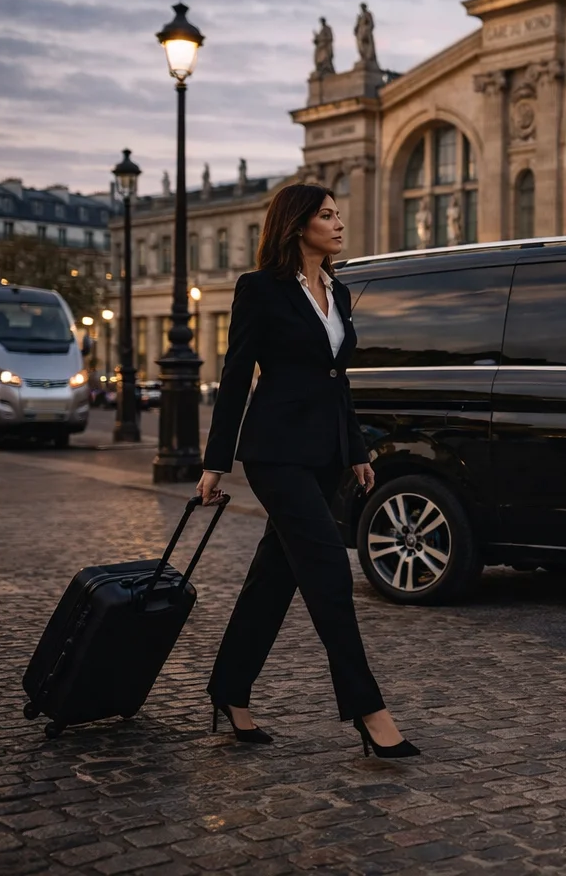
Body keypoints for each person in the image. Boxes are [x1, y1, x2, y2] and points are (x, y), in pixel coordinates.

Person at [195, 183, 419, 759]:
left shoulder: (339, 293)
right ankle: (369, 713)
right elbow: (237, 373)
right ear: (297, 225)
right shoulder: (260, 290)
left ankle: (229, 691)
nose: (339, 224)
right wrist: (215, 462)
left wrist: (357, 451)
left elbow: (336, 381)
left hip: (322, 455)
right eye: (326, 215)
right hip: (274, 453)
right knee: (327, 572)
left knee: (272, 580)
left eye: (339, 214)